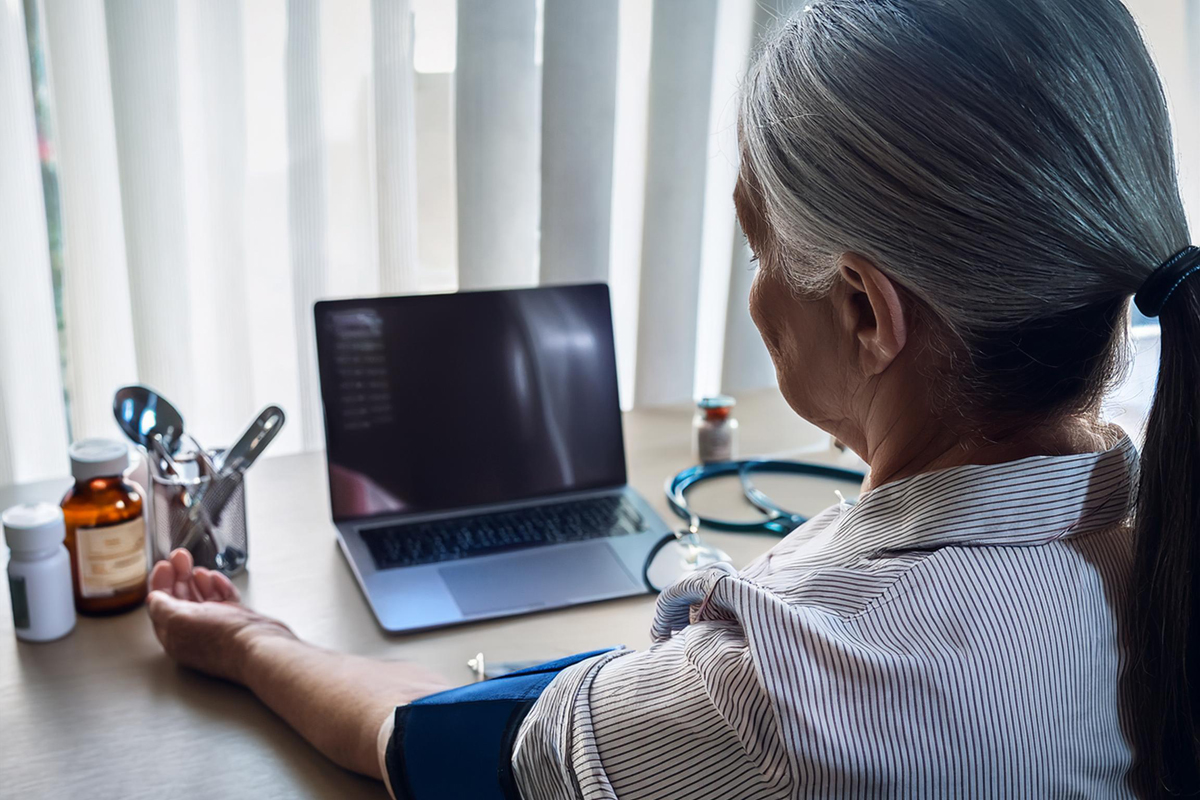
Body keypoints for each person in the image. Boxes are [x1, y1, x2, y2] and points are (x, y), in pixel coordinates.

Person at [146, 0, 1200, 796]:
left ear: (869, 315)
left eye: (757, 246)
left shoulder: (792, 685)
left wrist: (252, 642)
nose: (752, 291)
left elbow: (436, 745)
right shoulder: (1157, 535)